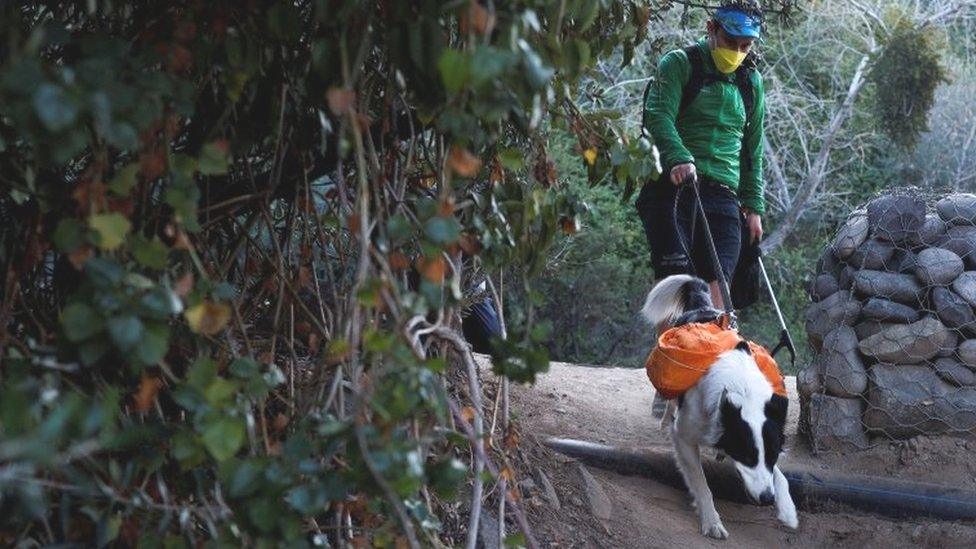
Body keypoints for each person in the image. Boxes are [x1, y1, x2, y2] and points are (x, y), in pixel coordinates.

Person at [635, 2, 767, 419]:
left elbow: (753, 149)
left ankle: (709, 389)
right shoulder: (680, 64)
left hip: (723, 195)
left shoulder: (750, 82)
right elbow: (658, 114)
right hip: (674, 187)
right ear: (711, 30)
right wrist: (676, 155)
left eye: (746, 45)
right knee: (676, 285)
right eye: (732, 41)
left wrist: (754, 205)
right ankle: (669, 383)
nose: (739, 51)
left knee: (718, 292)